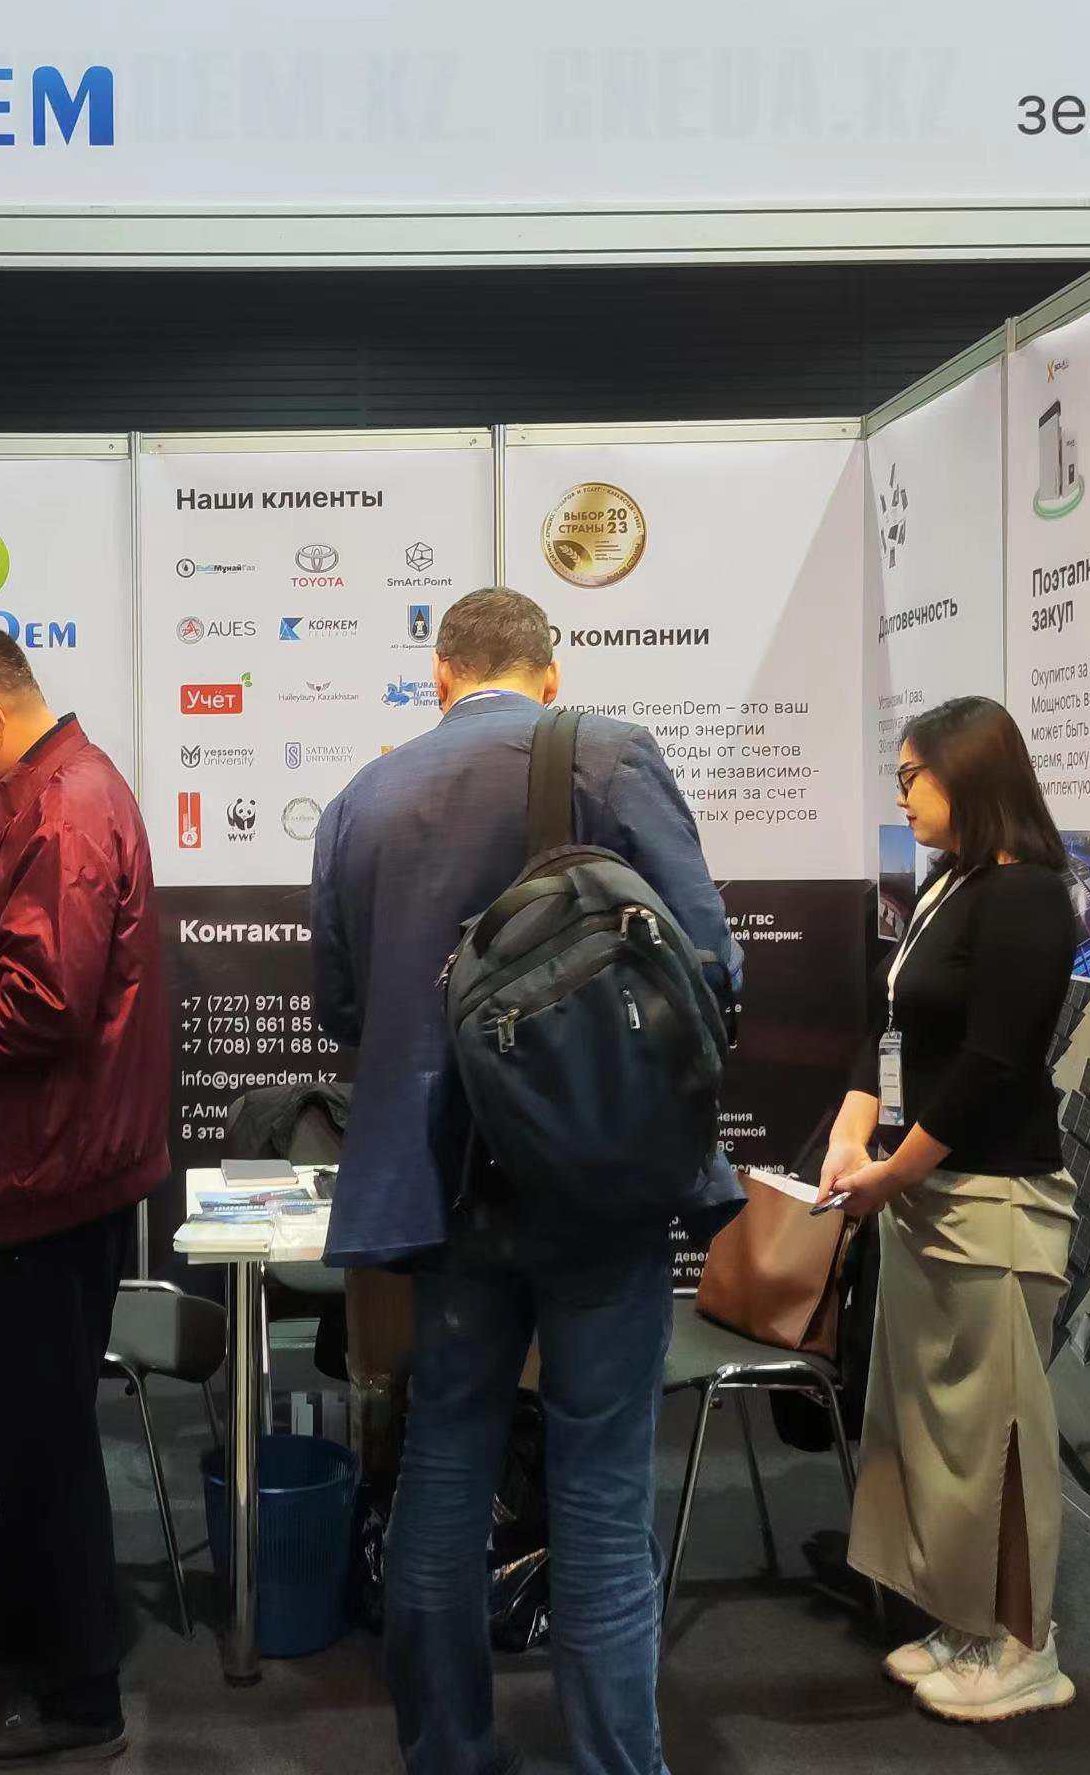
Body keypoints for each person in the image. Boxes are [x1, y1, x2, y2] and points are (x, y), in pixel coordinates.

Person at [309, 586, 745, 1775]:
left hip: (442, 1189)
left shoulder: (360, 800)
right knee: (600, 1484)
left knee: (444, 1459)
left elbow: (343, 1009)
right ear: (550, 676)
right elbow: (711, 966)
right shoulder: (609, 756)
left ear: (439, 676)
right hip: (602, 1182)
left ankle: (448, 1752)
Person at [0, 619, 169, 1767]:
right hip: (48, 1167)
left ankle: (80, 1691)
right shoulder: (54, 797)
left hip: (51, 1175)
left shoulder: (63, 808)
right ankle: (22, 1621)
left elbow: (43, 1003)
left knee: (46, 1436)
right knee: (24, 1427)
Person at [818, 694, 1081, 1724]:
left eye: (911, 777)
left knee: (997, 1432)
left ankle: (1024, 1644)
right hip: (927, 1192)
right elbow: (891, 1029)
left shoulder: (1027, 897)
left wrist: (892, 1173)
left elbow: (990, 1064)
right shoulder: (949, 884)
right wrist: (852, 1134)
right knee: (935, 1431)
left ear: (967, 777)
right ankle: (969, 1620)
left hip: (991, 1196)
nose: (901, 796)